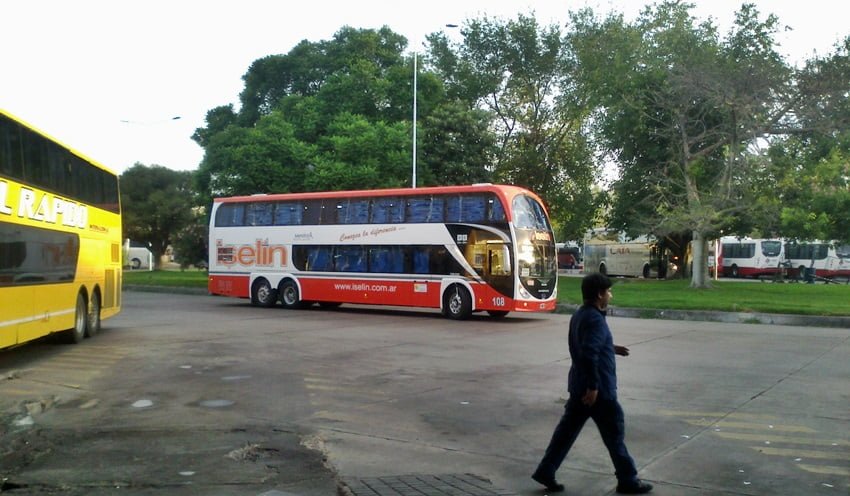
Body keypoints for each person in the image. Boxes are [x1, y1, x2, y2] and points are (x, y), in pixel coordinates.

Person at [532, 273, 653, 494]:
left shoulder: (581, 315)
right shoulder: (595, 319)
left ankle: (546, 470)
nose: (610, 295)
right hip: (598, 391)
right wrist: (594, 387)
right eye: (608, 291)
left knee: (566, 432)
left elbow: (587, 343)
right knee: (615, 434)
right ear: (599, 294)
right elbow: (589, 352)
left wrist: (610, 347)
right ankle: (628, 480)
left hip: (579, 385)